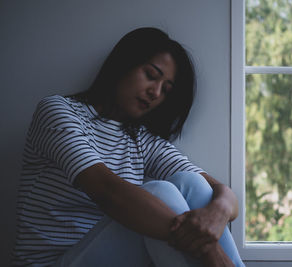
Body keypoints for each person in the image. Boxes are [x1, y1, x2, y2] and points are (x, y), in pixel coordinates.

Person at [13, 27, 244, 267]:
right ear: (123, 64)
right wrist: (210, 251)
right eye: (151, 75)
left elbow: (223, 195)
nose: (155, 93)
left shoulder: (142, 140)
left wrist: (218, 212)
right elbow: (108, 192)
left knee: (191, 183)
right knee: (159, 193)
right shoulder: (59, 112)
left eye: (166, 90)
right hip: (54, 262)